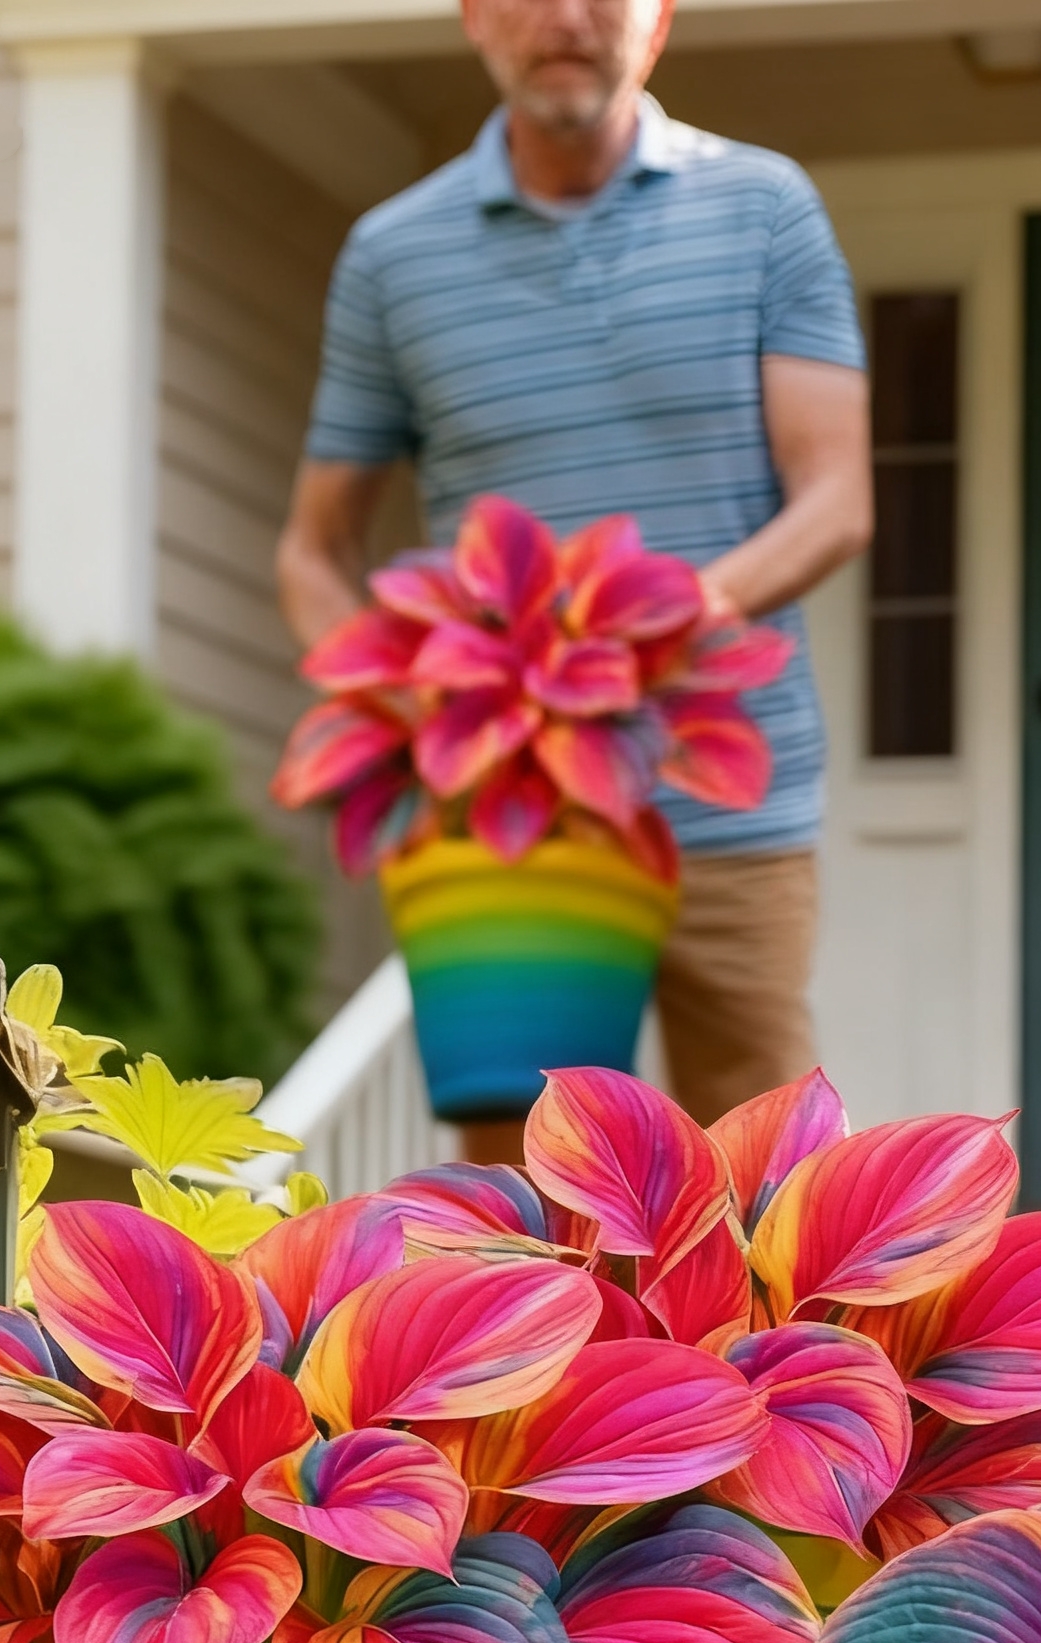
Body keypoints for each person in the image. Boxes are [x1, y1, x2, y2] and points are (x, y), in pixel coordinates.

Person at [276, 0, 872, 1139]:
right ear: (472, 18)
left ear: (659, 22)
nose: (564, 16)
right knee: (525, 1194)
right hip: (510, 814)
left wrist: (667, 620)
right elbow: (313, 546)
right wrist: (399, 709)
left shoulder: (762, 206)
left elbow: (837, 497)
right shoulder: (393, 253)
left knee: (768, 1177)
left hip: (724, 799)